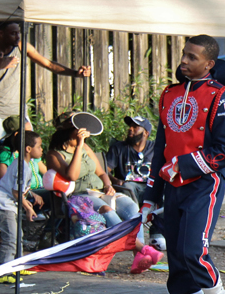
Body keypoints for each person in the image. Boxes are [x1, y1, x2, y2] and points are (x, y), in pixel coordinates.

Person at [141, 35, 225, 294]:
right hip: (172, 187)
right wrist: (151, 196)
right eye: (184, 55)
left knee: (194, 252)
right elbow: (161, 150)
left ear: (209, 64)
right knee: (177, 262)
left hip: (203, 185)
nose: (184, 61)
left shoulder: (221, 97)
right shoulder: (168, 95)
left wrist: (183, 166)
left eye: (192, 57)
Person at [45, 117, 161, 274]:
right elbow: (72, 175)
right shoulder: (54, 155)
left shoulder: (86, 147)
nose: (85, 136)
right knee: (107, 210)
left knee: (132, 207)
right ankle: (141, 249)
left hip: (100, 191)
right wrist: (79, 147)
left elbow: (101, 171)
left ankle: (138, 257)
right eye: (80, 133)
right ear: (70, 134)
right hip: (80, 196)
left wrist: (108, 186)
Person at [0, 20, 90, 170]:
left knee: (30, 156)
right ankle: (2, 191)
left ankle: (29, 191)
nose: (18, 36)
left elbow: (49, 64)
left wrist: (75, 73)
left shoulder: (22, 47)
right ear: (0, 34)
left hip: (20, 114)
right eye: (13, 33)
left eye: (18, 32)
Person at [106, 115, 165, 249]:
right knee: (129, 186)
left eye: (135, 127)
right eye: (130, 127)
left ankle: (156, 235)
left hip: (150, 186)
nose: (130, 129)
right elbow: (105, 170)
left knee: (164, 192)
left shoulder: (155, 148)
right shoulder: (118, 148)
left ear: (146, 133)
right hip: (128, 187)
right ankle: (137, 238)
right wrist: (114, 180)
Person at [0, 131, 44, 265]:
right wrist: (28, 208)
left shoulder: (25, 164)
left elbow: (20, 188)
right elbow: (16, 193)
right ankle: (3, 271)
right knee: (11, 239)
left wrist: (31, 194)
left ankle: (16, 266)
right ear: (28, 149)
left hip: (9, 203)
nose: (42, 149)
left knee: (18, 237)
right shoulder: (22, 167)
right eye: (39, 146)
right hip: (3, 204)